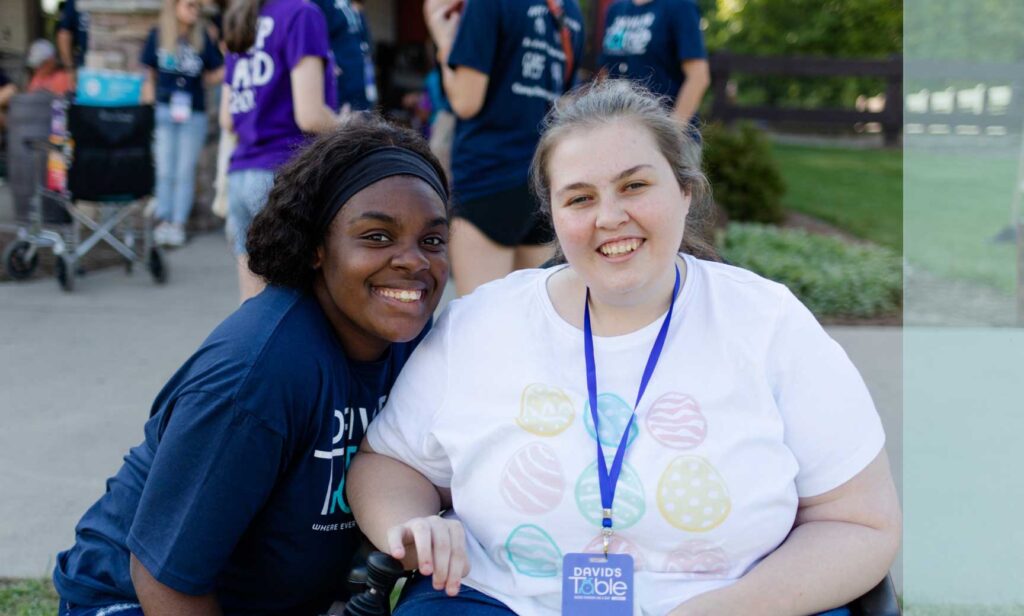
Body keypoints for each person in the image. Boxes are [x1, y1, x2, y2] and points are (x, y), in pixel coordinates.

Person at [348, 81, 901, 615]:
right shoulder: (481, 325)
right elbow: (389, 463)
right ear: (555, 218)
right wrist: (409, 523)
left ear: (686, 191)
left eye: (634, 186)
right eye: (580, 197)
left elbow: (859, 522)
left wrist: (726, 610)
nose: (609, 217)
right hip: (505, 601)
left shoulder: (769, 325)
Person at [52, 119, 452, 616]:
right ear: (315, 247)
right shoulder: (260, 370)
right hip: (130, 602)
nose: (413, 262)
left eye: (432, 241)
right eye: (376, 236)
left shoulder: (411, 336)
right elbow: (162, 579)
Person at [424, 0, 585, 296]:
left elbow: (465, 101)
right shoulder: (570, 11)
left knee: (482, 319)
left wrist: (444, 39)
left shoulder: (487, 5)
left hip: (489, 175)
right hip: (542, 179)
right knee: (534, 316)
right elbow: (564, 100)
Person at [222, 0, 346, 302]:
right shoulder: (301, 13)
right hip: (284, 174)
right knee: (297, 307)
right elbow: (310, 115)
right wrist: (348, 125)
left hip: (240, 174)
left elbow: (227, 119)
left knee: (253, 309)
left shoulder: (243, 15)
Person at [141, 0, 224, 247]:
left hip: (193, 111)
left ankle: (177, 223)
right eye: (189, 4)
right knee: (165, 169)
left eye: (197, 6)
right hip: (165, 108)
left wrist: (231, 57)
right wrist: (147, 107)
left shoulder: (202, 37)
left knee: (185, 171)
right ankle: (163, 220)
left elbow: (212, 74)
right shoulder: (158, 35)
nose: (194, 10)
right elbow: (149, 74)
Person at [598, 0, 710, 126]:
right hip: (618, 127)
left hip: (662, 129)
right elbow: (605, 71)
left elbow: (698, 77)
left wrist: (674, 131)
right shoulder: (616, 9)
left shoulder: (681, 6)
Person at [312, 0, 377, 112]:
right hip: (340, 79)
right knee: (342, 121)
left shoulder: (350, 4)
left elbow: (362, 36)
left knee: (363, 116)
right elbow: (315, 35)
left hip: (359, 74)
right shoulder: (319, 3)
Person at [56, 0, 89, 85]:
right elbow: (64, 34)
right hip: (86, 64)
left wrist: (70, 69)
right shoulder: (74, 2)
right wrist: (70, 69)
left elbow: (64, 34)